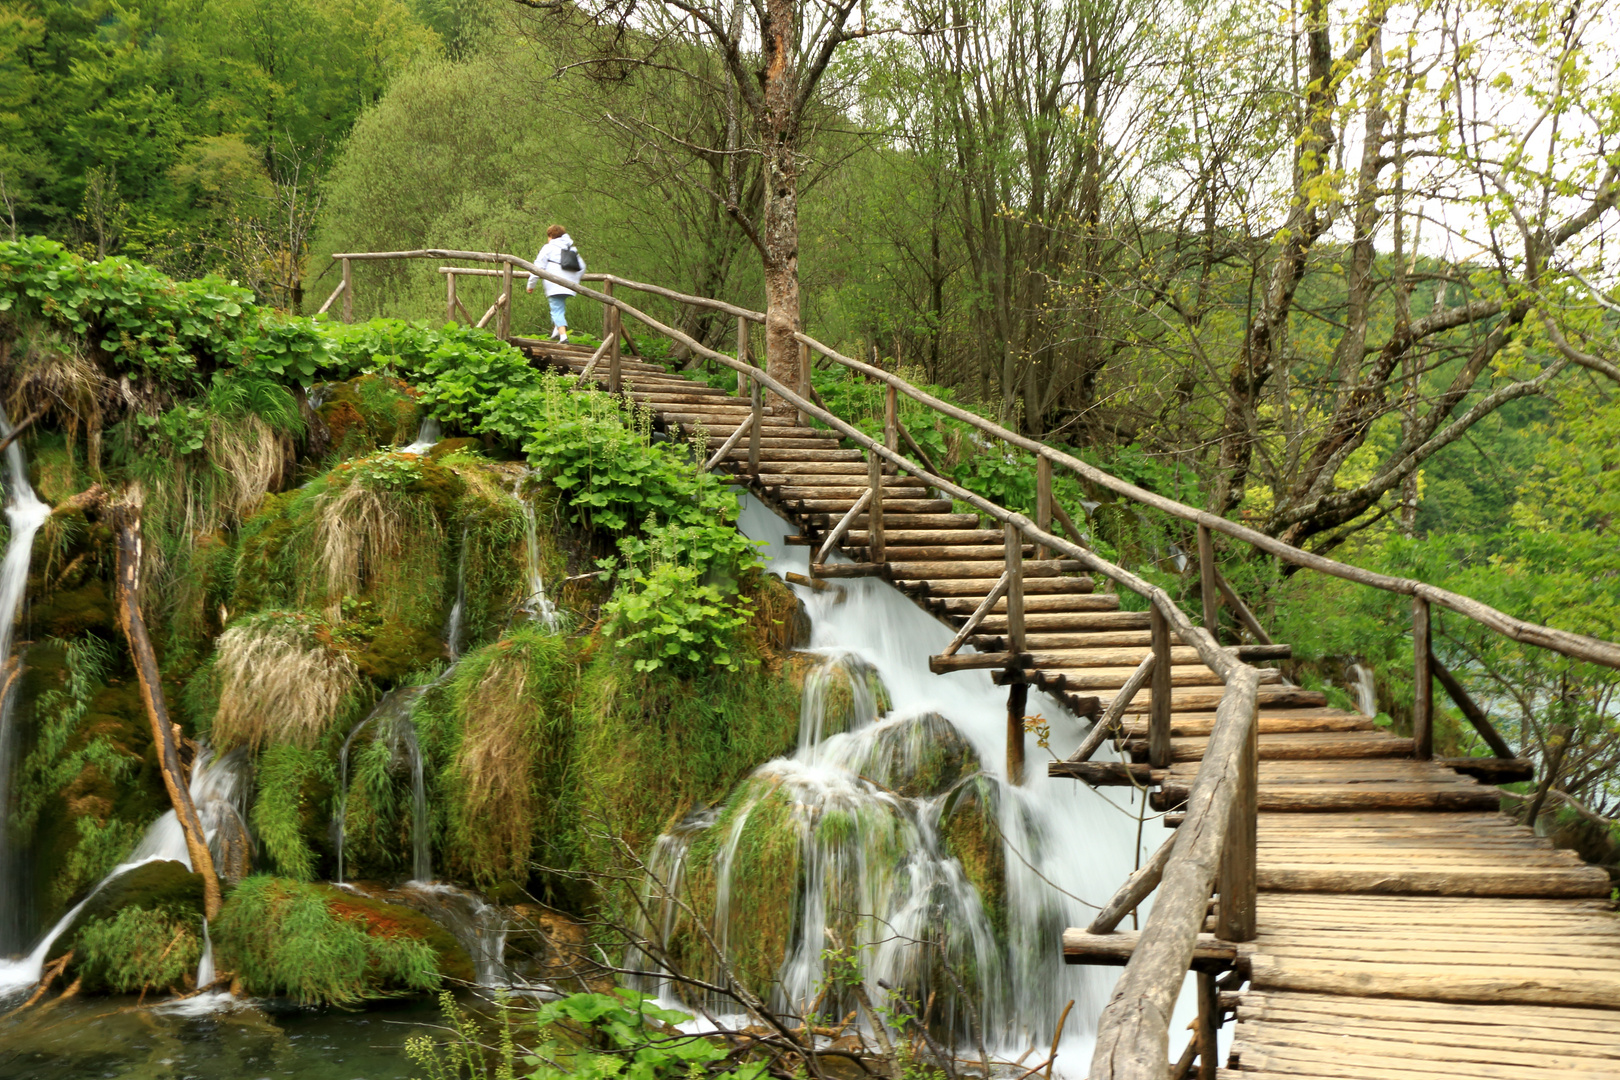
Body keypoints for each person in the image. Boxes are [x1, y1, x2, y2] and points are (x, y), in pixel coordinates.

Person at [526, 225, 585, 342]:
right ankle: (556, 331)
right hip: (569, 285)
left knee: (556, 310)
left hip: (554, 284)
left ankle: (563, 337)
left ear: (550, 236)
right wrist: (575, 281)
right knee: (559, 307)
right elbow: (582, 267)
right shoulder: (571, 249)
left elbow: (537, 267)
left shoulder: (548, 248)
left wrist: (531, 285)